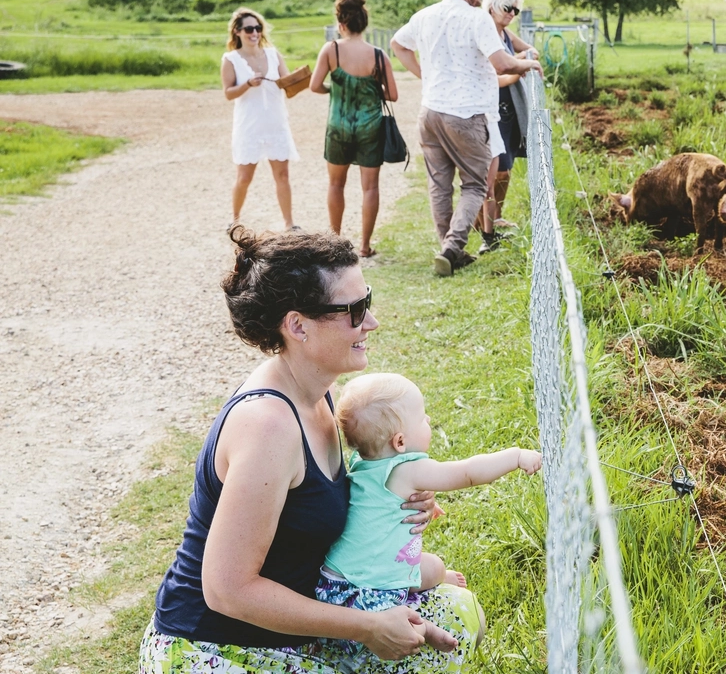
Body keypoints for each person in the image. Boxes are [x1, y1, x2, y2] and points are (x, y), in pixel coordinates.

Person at [140, 227, 482, 673]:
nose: (371, 323)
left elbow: (313, 510)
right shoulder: (268, 426)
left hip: (291, 628)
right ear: (297, 325)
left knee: (455, 611)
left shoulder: (316, 388)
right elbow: (227, 590)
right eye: (355, 311)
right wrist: (367, 626)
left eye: (368, 302)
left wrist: (397, 490)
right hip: (216, 648)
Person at [315, 373, 541, 662]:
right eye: (422, 418)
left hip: (334, 582)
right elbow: (466, 473)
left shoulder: (363, 463)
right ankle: (426, 629)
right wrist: (516, 456)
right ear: (399, 441)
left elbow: (379, 505)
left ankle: (429, 589)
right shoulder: (407, 470)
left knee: (434, 566)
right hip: (367, 592)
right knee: (405, 609)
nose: (429, 420)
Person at [391, 0, 542, 277]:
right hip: (467, 114)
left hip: (430, 111)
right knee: (475, 185)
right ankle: (452, 247)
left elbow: (397, 44)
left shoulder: (426, 15)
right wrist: (528, 62)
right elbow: (502, 63)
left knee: (439, 185)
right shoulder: (476, 19)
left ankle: (449, 250)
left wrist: (424, 76)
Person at [310, 0, 399, 259]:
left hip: (338, 126)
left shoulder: (331, 50)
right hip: (370, 127)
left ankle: (335, 243)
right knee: (370, 187)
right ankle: (365, 246)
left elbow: (315, 86)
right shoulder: (379, 55)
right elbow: (392, 95)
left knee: (336, 184)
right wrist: (368, 91)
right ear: (364, 23)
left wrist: (337, 90)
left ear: (341, 23)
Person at [221, 8, 300, 232]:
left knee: (282, 175)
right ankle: (234, 220)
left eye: (257, 28)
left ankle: (289, 223)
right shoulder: (231, 59)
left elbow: (286, 84)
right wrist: (247, 84)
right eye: (249, 29)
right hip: (249, 126)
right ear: (237, 32)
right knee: (244, 177)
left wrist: (296, 78)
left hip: (276, 123)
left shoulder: (273, 54)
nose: (254, 32)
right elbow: (228, 93)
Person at [477, 0, 537, 255]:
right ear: (491, 6)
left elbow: (529, 49)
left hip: (508, 109)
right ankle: (483, 223)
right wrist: (521, 69)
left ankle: (495, 216)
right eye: (507, 8)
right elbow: (493, 77)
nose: (512, 13)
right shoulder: (487, 32)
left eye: (516, 9)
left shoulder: (503, 33)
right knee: (494, 170)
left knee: (506, 167)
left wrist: (524, 57)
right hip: (493, 107)